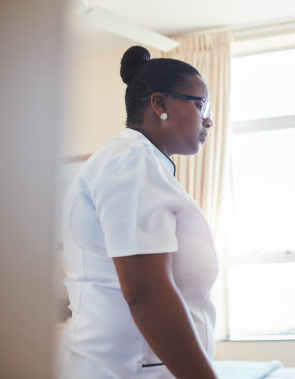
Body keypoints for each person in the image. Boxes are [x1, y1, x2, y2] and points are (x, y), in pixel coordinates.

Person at [58, 46, 218, 379]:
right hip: (124, 370)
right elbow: (147, 296)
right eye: (201, 103)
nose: (209, 119)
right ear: (160, 104)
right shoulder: (131, 162)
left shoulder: (144, 164)